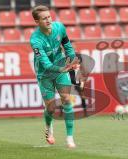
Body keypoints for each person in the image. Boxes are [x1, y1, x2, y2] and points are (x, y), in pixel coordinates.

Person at [30, 5, 78, 148]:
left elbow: (67, 45)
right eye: (44, 18)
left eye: (49, 17)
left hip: (61, 69)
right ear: (37, 22)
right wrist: (63, 68)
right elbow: (45, 64)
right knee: (50, 108)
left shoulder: (60, 28)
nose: (48, 20)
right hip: (45, 74)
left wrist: (72, 59)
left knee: (66, 100)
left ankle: (70, 138)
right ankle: (48, 127)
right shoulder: (35, 41)